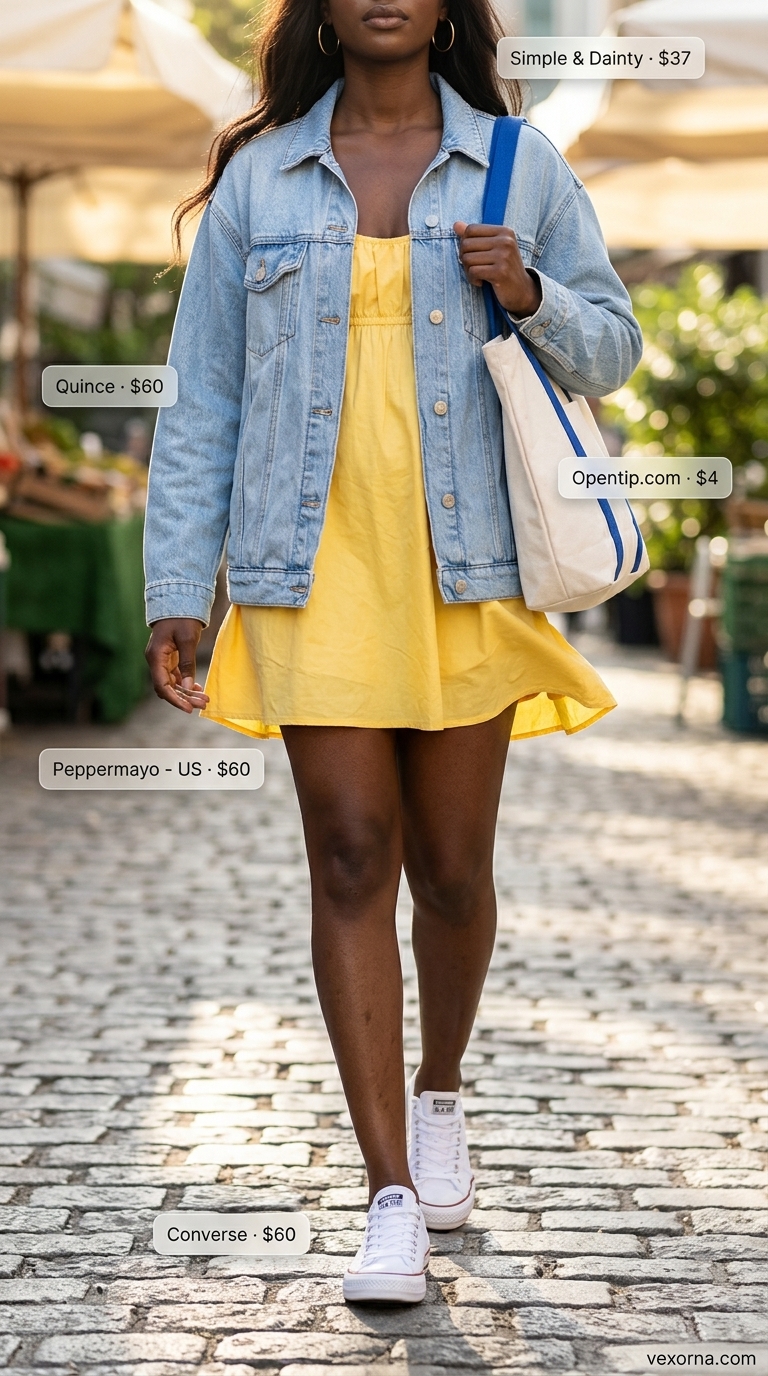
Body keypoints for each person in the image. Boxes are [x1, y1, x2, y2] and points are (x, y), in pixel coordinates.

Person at [144, 0, 642, 1305]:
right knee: (352, 852)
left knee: (454, 871)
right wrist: (175, 589)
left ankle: (441, 1094)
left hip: (465, 569)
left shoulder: (520, 164)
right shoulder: (259, 175)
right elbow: (203, 396)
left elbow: (616, 345)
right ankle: (388, 1197)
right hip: (310, 571)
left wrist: (527, 290)